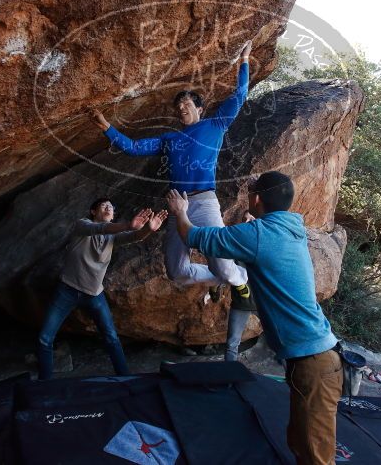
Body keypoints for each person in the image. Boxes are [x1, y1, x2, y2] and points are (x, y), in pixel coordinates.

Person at [165, 171, 342, 465]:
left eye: (252, 192)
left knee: (315, 456)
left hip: (314, 364)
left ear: (257, 199)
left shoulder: (259, 235)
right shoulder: (290, 228)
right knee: (300, 443)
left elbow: (193, 236)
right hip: (316, 358)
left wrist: (181, 212)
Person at [88, 41, 253, 299]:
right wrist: (105, 125)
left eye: (186, 104)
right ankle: (218, 279)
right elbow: (132, 147)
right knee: (176, 271)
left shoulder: (216, 125)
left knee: (223, 265)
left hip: (205, 202)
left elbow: (240, 94)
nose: (181, 109)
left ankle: (238, 278)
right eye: (178, 107)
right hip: (178, 206)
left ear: (200, 109)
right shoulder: (169, 140)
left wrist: (244, 59)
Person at [37, 199, 167, 380]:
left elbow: (134, 236)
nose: (109, 208)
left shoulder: (112, 237)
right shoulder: (82, 226)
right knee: (45, 338)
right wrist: (128, 225)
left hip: (94, 295)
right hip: (66, 290)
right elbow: (98, 229)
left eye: (112, 207)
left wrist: (148, 229)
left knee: (112, 338)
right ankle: (44, 386)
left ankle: (126, 380)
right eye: (104, 206)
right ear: (93, 211)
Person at [221, 210, 258, 362]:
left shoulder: (260, 245)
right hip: (241, 304)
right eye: (245, 218)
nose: (248, 220)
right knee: (231, 344)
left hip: (261, 302)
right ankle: (228, 380)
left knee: (279, 339)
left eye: (251, 217)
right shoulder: (235, 247)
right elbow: (222, 268)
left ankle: (291, 377)